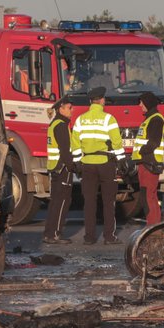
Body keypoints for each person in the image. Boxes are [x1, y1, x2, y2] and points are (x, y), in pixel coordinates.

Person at [73, 86, 124, 244]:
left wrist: (77, 162)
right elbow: (116, 142)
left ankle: (89, 237)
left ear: (90, 101)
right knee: (109, 202)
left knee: (89, 202)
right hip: (105, 164)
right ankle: (109, 237)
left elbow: (75, 143)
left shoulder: (80, 119)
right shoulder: (109, 119)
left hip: (87, 164)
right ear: (102, 100)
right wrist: (121, 160)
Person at [43, 98, 78, 244]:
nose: (72, 110)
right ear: (61, 109)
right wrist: (74, 167)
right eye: (69, 107)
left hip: (55, 167)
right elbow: (65, 151)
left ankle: (48, 234)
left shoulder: (54, 123)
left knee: (55, 202)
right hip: (62, 168)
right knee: (63, 201)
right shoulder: (61, 125)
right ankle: (55, 234)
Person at [132, 92, 164, 225]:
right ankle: (154, 226)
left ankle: (151, 227)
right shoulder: (150, 118)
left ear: (148, 103)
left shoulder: (155, 119)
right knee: (150, 196)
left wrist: (141, 151)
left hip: (149, 163)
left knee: (147, 197)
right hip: (145, 162)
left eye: (142, 102)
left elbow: (153, 142)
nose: (140, 105)